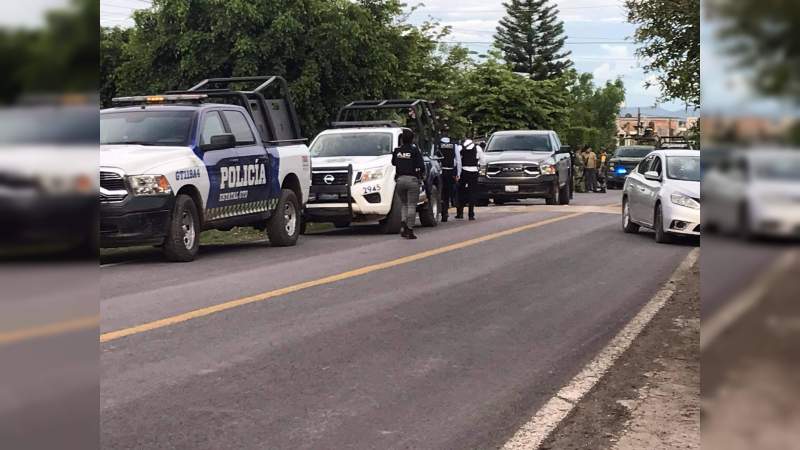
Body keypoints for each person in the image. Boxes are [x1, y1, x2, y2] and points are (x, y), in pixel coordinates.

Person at [391, 128, 426, 239]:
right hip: (412, 180)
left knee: (404, 204)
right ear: (412, 139)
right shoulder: (415, 151)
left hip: (400, 180)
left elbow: (393, 162)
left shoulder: (397, 151)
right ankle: (409, 229)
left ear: (401, 139)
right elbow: (421, 166)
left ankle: (402, 225)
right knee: (411, 205)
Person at [456, 139, 484, 221]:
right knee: (472, 192)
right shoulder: (477, 148)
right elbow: (483, 161)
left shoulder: (460, 147)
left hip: (463, 171)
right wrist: (478, 165)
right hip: (474, 172)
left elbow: (457, 160)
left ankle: (460, 213)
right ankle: (471, 214)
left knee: (461, 191)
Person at [438, 131, 461, 222]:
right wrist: (458, 173)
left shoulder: (437, 145)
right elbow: (458, 161)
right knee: (450, 192)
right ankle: (452, 211)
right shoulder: (454, 145)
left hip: (441, 171)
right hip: (451, 171)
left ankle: (444, 213)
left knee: (443, 193)